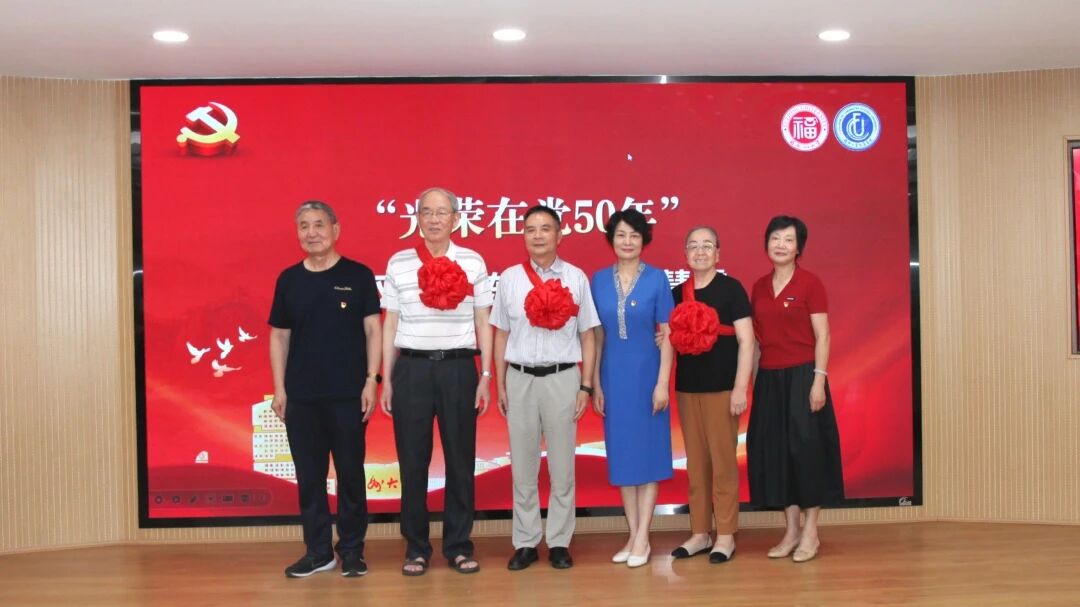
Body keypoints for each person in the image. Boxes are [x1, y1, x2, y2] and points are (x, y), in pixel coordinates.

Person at [379, 187, 493, 576]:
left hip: (459, 369)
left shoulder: (473, 261)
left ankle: (459, 545)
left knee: (460, 460)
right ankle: (416, 547)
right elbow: (390, 324)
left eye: (441, 212)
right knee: (413, 461)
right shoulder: (399, 262)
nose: (433, 219)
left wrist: (485, 375)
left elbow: (483, 321)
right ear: (417, 218)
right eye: (426, 212)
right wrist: (386, 378)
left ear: (456, 219)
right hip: (411, 369)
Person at [268, 200, 382, 578]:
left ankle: (352, 550)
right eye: (304, 226)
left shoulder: (359, 275)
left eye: (318, 224)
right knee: (309, 478)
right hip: (301, 397)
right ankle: (318, 552)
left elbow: (373, 330)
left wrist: (371, 380)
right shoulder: (289, 280)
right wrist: (280, 389)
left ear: (336, 229)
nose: (311, 232)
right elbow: (279, 336)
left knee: (350, 474)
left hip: (349, 395)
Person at [490, 205, 599, 571]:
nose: (537, 235)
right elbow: (501, 334)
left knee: (562, 467)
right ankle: (525, 542)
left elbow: (588, 335)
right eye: (530, 229)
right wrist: (500, 381)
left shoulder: (576, 277)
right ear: (523, 235)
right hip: (519, 378)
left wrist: (585, 385)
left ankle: (559, 542)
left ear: (559, 234)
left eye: (545, 228)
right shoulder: (509, 278)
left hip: (562, 378)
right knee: (523, 466)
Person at [747, 215, 844, 563]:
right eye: (775, 238)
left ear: (798, 247)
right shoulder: (759, 287)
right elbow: (756, 342)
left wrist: (818, 381)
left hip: (804, 376)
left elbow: (823, 335)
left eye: (788, 240)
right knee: (778, 456)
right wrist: (753, 383)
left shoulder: (810, 283)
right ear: (766, 243)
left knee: (807, 453)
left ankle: (811, 532)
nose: (781, 245)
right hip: (769, 379)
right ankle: (790, 531)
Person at [590, 208, 675, 568]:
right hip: (613, 376)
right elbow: (596, 335)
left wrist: (662, 384)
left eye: (634, 236)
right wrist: (595, 382)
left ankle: (643, 537)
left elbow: (667, 334)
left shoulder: (657, 279)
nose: (627, 242)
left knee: (649, 455)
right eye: (621, 235)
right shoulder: (597, 280)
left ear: (644, 241)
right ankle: (633, 534)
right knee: (623, 456)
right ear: (611, 239)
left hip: (648, 377)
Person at [668, 226, 754, 564]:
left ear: (718, 253)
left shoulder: (732, 289)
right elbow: (669, 339)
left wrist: (740, 388)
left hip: (723, 390)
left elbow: (747, 341)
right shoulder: (677, 293)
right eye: (693, 246)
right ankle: (700, 533)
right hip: (688, 389)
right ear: (686, 254)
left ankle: (726, 535)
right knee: (696, 465)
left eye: (707, 246)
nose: (700, 252)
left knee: (723, 465)